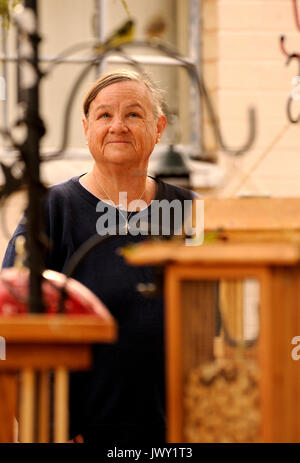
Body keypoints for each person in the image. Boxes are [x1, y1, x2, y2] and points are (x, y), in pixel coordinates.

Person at [2, 69, 198, 444]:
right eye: (105, 115)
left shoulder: (189, 210)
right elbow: (13, 326)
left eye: (133, 114)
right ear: (86, 128)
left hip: (181, 430)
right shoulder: (52, 210)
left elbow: (221, 323)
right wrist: (47, 428)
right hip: (80, 434)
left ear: (158, 128)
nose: (118, 126)